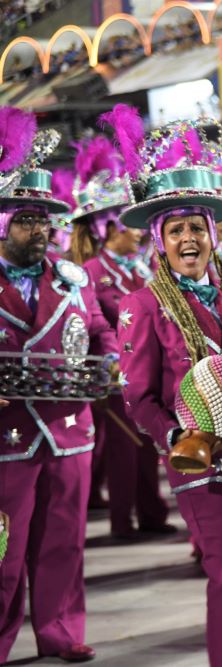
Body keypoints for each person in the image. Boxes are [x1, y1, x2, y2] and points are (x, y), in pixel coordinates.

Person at [111, 108, 222, 667]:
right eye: (176, 230)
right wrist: (180, 435)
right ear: (160, 243)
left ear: (212, 236)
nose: (188, 238)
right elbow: (137, 396)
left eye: (196, 229)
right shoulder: (143, 306)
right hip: (198, 460)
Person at [0, 110, 115, 665]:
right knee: (2, 549)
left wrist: (112, 359)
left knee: (63, 542)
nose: (40, 230)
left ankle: (61, 631)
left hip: (69, 429)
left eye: (45, 219)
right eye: (26, 220)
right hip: (7, 437)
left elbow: (99, 331)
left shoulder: (75, 279)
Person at [67, 132, 174, 541]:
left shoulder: (140, 269)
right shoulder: (91, 271)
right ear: (107, 228)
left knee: (148, 446)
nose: (138, 232)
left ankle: (151, 514)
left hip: (149, 370)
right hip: (114, 376)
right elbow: (96, 324)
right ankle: (121, 522)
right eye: (127, 225)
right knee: (124, 451)